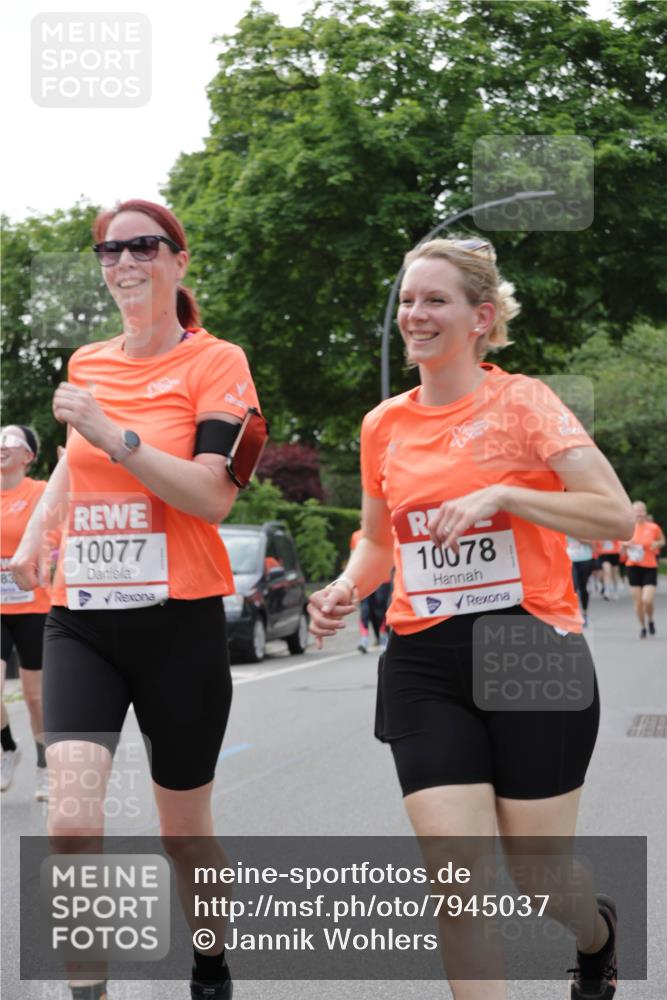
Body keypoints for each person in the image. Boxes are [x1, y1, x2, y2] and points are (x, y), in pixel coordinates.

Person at [308, 237, 634, 1000]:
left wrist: (506, 494)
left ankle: (595, 935)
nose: (414, 315)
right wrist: (345, 586)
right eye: (407, 301)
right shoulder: (382, 424)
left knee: (539, 879)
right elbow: (378, 543)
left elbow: (613, 515)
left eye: (435, 300)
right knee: (454, 878)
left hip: (530, 648)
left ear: (480, 317)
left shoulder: (523, 403)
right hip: (424, 659)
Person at [11, 199, 263, 1000]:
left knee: (182, 836)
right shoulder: (89, 361)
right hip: (82, 620)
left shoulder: (216, 362)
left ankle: (210, 966)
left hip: (178, 624)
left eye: (143, 246)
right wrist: (36, 533)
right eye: (109, 251)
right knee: (70, 824)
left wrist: (113, 431)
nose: (124, 262)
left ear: (178, 260)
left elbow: (211, 496)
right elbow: (70, 464)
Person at [1, 425, 50, 799]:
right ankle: (7, 749)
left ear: (28, 456)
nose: (2, 446)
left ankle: (45, 765)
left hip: (35, 605)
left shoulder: (41, 492)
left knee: (35, 697)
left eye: (10, 441)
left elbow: (55, 536)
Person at [621, 501, 665, 638]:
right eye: (636, 511)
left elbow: (662, 541)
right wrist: (625, 545)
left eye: (641, 511)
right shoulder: (628, 528)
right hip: (633, 567)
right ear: (632, 513)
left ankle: (650, 619)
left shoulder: (653, 527)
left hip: (649, 567)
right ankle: (643, 627)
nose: (639, 513)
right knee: (638, 602)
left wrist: (656, 544)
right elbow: (621, 550)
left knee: (647, 600)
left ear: (645, 512)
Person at [349, 527, 390, 652]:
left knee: (380, 609)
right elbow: (353, 558)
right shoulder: (356, 535)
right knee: (365, 609)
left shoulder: (383, 531)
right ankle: (364, 638)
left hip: (383, 578)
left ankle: (383, 635)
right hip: (363, 579)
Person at [567, 537, 596, 627]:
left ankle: (585, 613)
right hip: (570, 559)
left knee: (583, 588)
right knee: (573, 587)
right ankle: (574, 614)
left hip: (585, 559)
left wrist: (580, 538)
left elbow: (593, 542)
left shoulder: (584, 529)